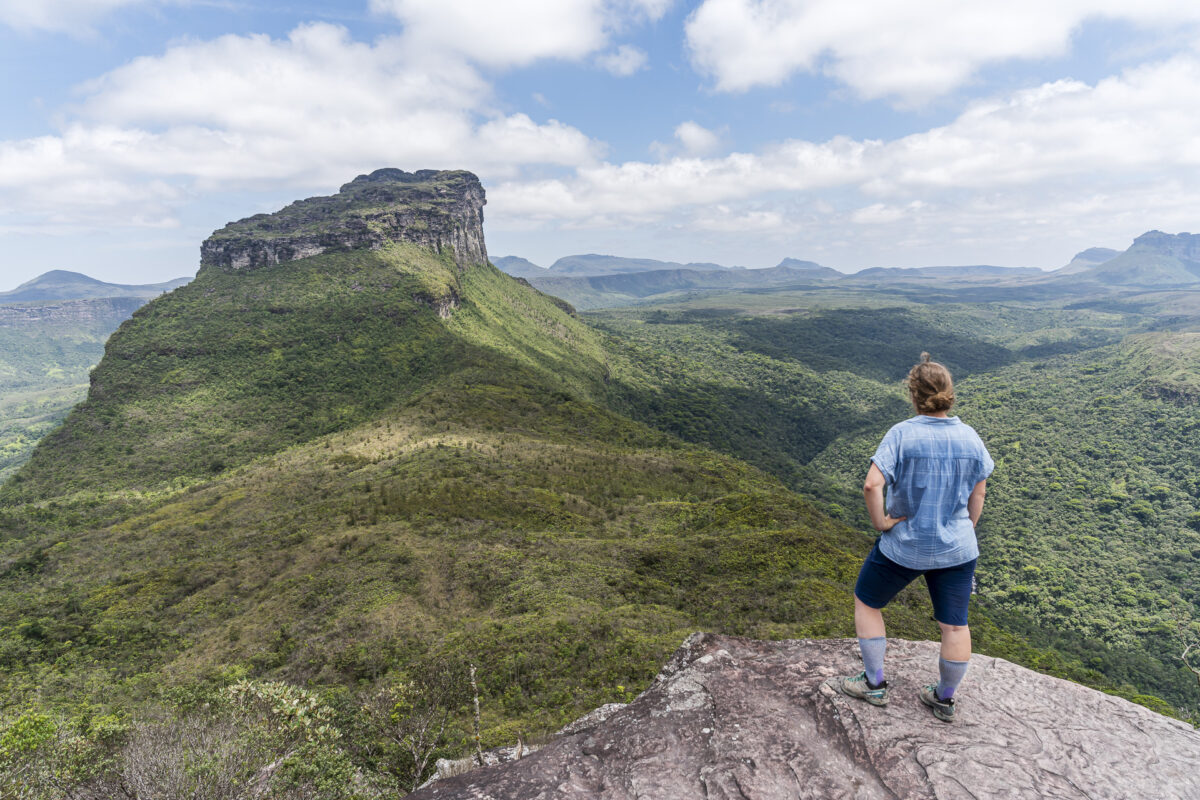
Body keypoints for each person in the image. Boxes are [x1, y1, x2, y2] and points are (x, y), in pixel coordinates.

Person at [839, 353, 993, 722]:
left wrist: (882, 522)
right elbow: (980, 492)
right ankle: (944, 698)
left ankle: (874, 684)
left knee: (867, 602)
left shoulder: (902, 434)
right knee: (955, 624)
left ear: (914, 394)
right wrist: (967, 526)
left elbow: (872, 484)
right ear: (949, 394)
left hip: (905, 545)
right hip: (956, 547)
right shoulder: (970, 437)